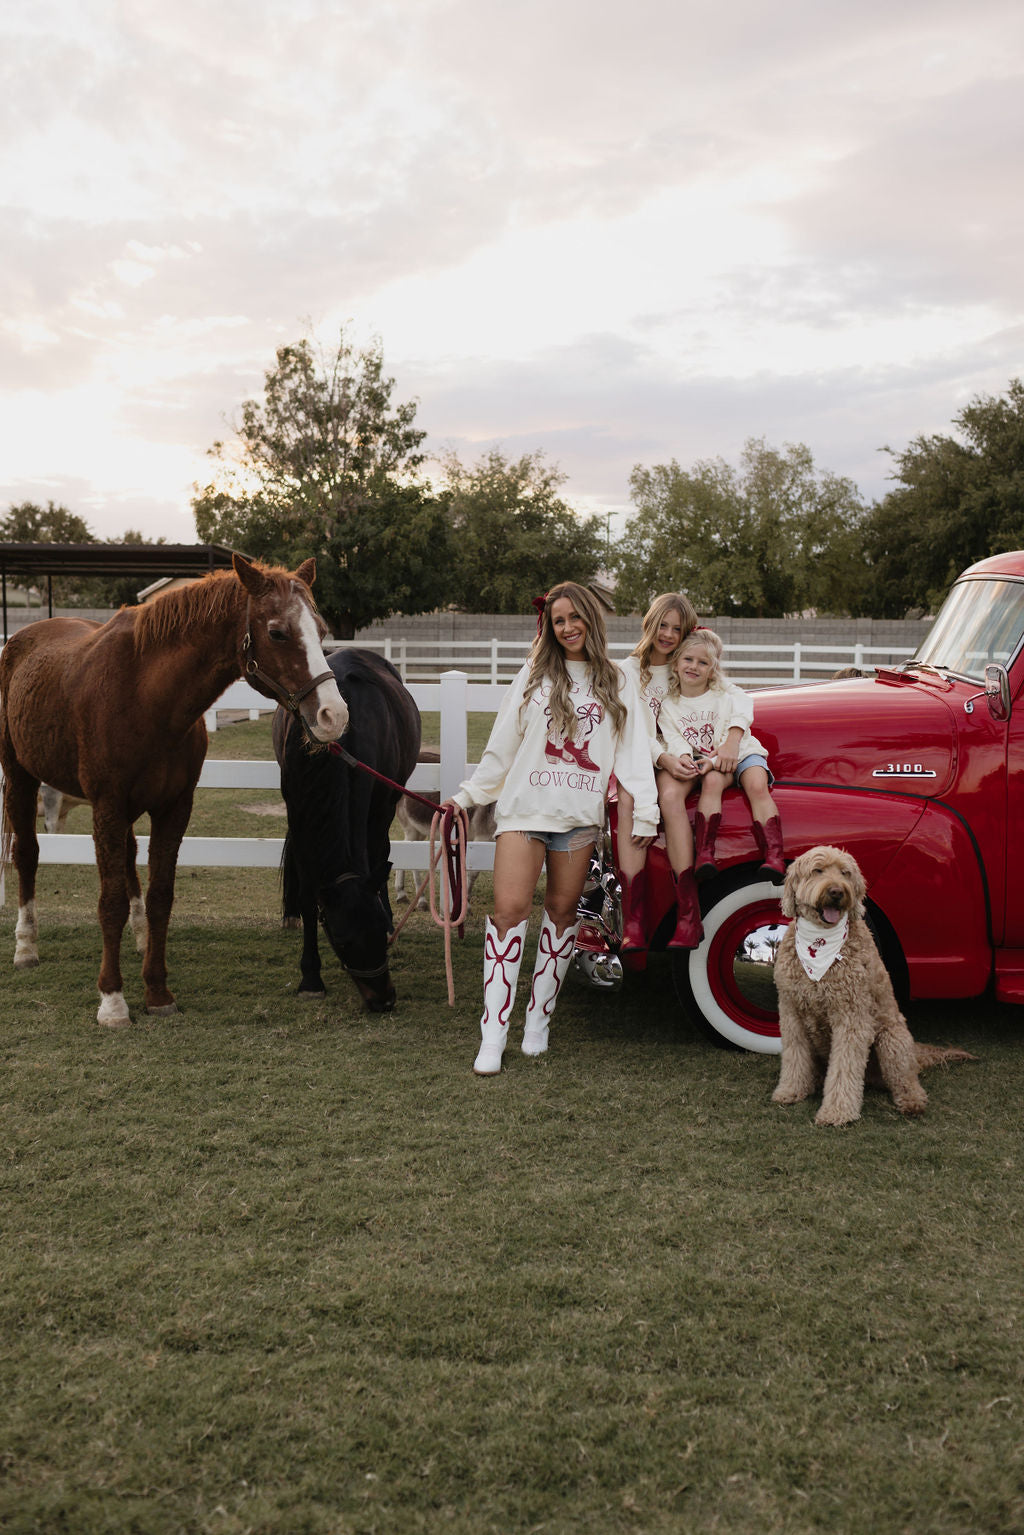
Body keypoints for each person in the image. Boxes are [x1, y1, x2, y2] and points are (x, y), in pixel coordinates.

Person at [445, 582, 659, 1076]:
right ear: (550, 626)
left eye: (574, 617)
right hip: (524, 814)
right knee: (507, 913)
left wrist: (644, 810)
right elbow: (502, 746)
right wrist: (468, 795)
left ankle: (538, 1023)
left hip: (579, 820)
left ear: (590, 618)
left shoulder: (619, 680)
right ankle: (493, 1033)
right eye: (558, 620)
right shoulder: (534, 675)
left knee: (561, 915)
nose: (567, 627)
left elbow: (631, 754)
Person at [658, 628, 785, 883]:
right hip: (714, 762)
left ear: (712, 669)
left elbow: (744, 710)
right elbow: (674, 738)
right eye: (688, 659)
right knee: (712, 782)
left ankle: (774, 856)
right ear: (676, 662)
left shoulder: (724, 694)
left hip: (744, 752)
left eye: (703, 662)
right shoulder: (669, 705)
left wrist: (730, 744)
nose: (694, 667)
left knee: (757, 784)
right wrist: (684, 756)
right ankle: (705, 854)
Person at [616, 592, 702, 953]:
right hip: (639, 753)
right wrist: (660, 757)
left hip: (680, 754)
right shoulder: (627, 672)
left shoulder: (686, 667)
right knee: (627, 798)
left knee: (669, 797)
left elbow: (701, 711)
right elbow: (631, 730)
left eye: (676, 629)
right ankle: (634, 921)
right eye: (662, 625)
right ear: (650, 623)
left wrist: (674, 758)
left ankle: (688, 914)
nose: (667, 634)